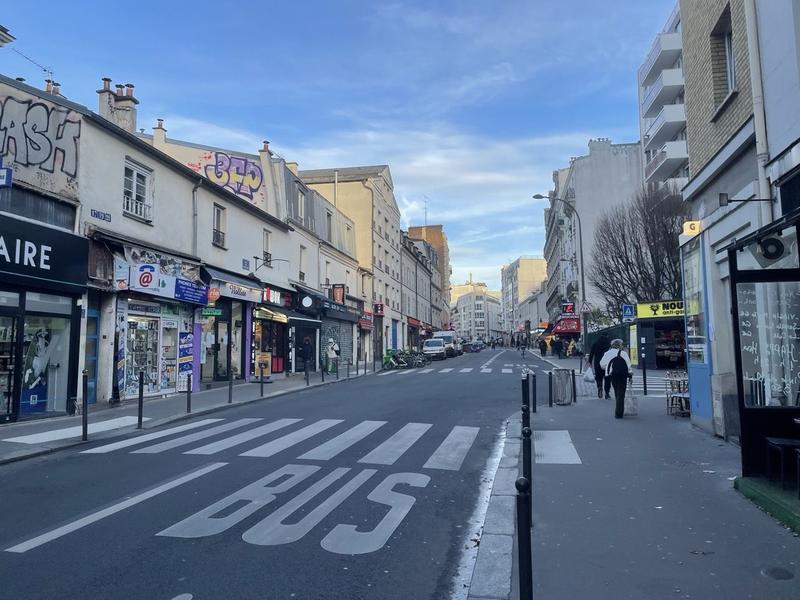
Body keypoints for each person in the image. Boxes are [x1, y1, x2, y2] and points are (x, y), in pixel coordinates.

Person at [599, 338, 633, 418]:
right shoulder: (623, 353)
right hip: (623, 374)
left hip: (613, 374)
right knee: (621, 392)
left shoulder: (607, 353)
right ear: (620, 345)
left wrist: (609, 368)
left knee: (616, 390)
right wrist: (630, 374)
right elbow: (628, 365)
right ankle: (619, 412)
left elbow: (602, 364)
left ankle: (619, 409)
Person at [587, 334, 611, 399]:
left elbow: (591, 353)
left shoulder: (595, 344)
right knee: (607, 378)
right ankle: (607, 393)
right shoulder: (608, 344)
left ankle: (599, 386)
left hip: (597, 363)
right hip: (607, 363)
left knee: (598, 377)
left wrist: (590, 362)